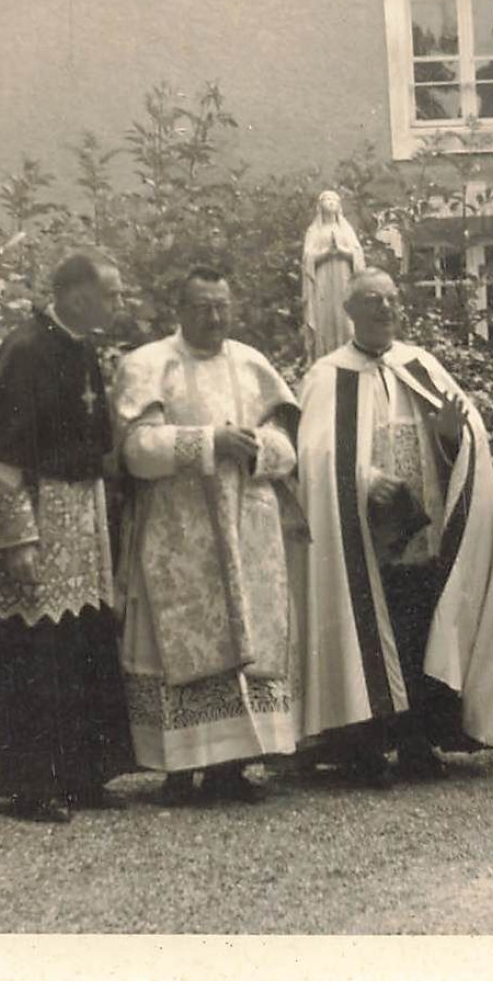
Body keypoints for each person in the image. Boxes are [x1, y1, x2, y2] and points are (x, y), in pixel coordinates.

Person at [294, 268, 493, 785]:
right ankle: (362, 746)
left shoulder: (421, 365)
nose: (384, 309)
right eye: (370, 300)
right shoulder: (328, 374)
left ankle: (416, 742)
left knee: (417, 633)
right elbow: (316, 455)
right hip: (362, 538)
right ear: (349, 311)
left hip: (420, 531)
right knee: (361, 632)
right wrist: (364, 480)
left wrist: (453, 438)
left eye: (390, 299)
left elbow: (463, 442)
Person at [0, 253, 133, 823]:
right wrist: (17, 538)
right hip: (36, 519)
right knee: (29, 651)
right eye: (113, 294)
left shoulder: (78, 347)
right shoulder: (25, 350)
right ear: (77, 295)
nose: (119, 304)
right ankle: (29, 782)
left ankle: (80, 772)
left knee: (78, 640)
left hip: (77, 516)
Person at [111, 266, 300, 804]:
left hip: (246, 530)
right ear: (179, 308)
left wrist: (258, 447)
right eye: (201, 307)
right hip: (177, 534)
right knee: (175, 645)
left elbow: (287, 448)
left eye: (222, 306)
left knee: (248, 644)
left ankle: (232, 767)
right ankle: (177, 770)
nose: (214, 317)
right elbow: (136, 452)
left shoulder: (252, 364)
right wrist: (207, 443)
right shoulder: (149, 364)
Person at [301, 190, 367, 362]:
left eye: (333, 200)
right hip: (322, 282)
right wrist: (325, 254)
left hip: (344, 279)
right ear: (320, 205)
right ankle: (324, 357)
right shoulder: (314, 230)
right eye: (326, 199)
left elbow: (357, 254)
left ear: (339, 206)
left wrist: (342, 252)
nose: (330, 202)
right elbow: (307, 258)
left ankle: (349, 357)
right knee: (325, 319)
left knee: (345, 319)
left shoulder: (345, 230)